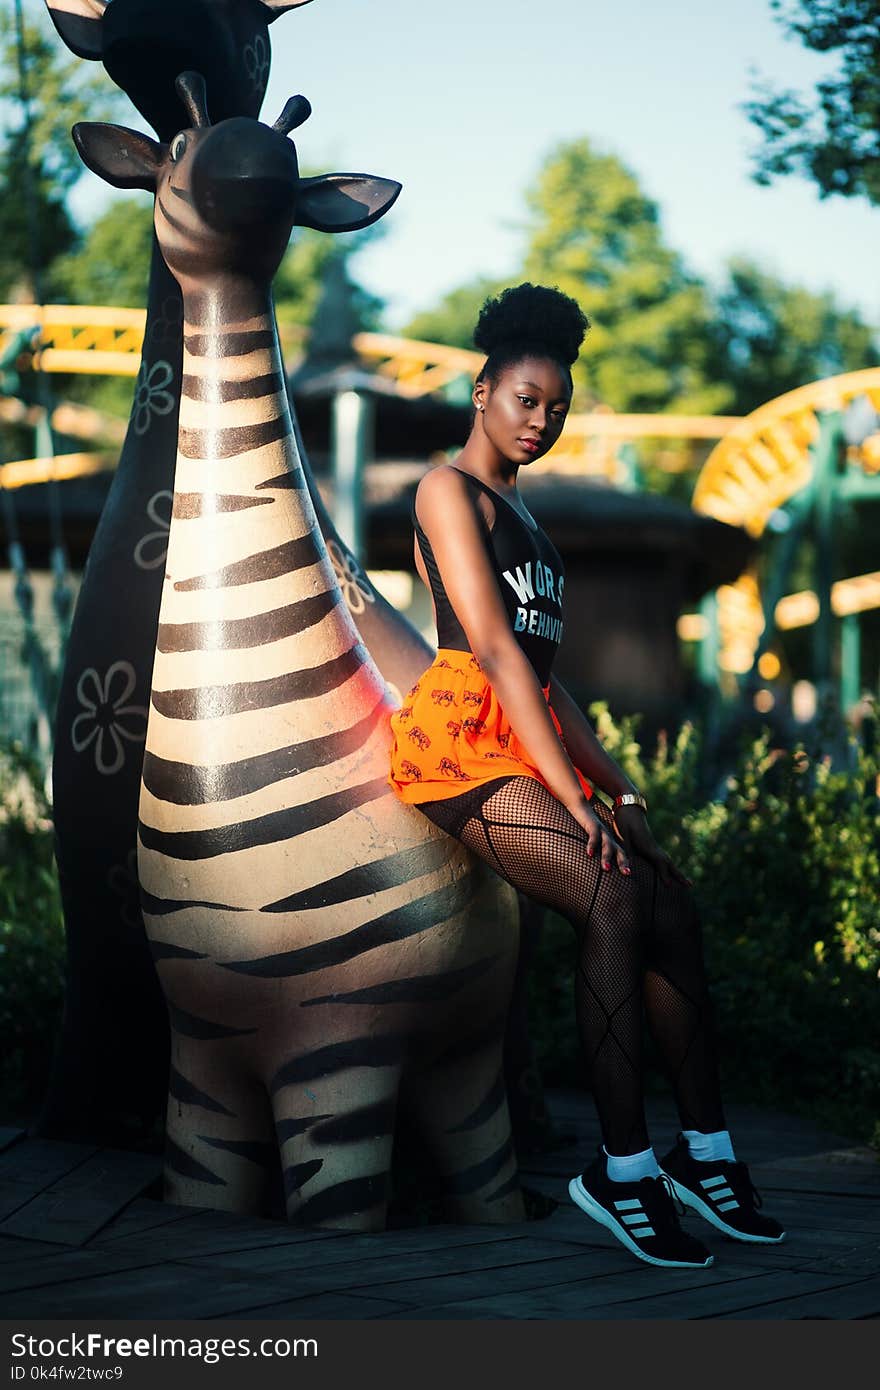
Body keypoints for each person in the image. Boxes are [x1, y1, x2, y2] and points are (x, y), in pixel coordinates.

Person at [387, 283, 785, 1269]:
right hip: (457, 741)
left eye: (556, 408)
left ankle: (705, 1152)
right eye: (525, 399)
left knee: (667, 900)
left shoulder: (538, 530)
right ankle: (621, 1167)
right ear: (482, 391)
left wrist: (621, 793)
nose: (541, 420)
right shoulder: (449, 491)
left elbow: (550, 687)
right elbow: (488, 645)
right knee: (610, 893)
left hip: (525, 735)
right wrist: (574, 802)